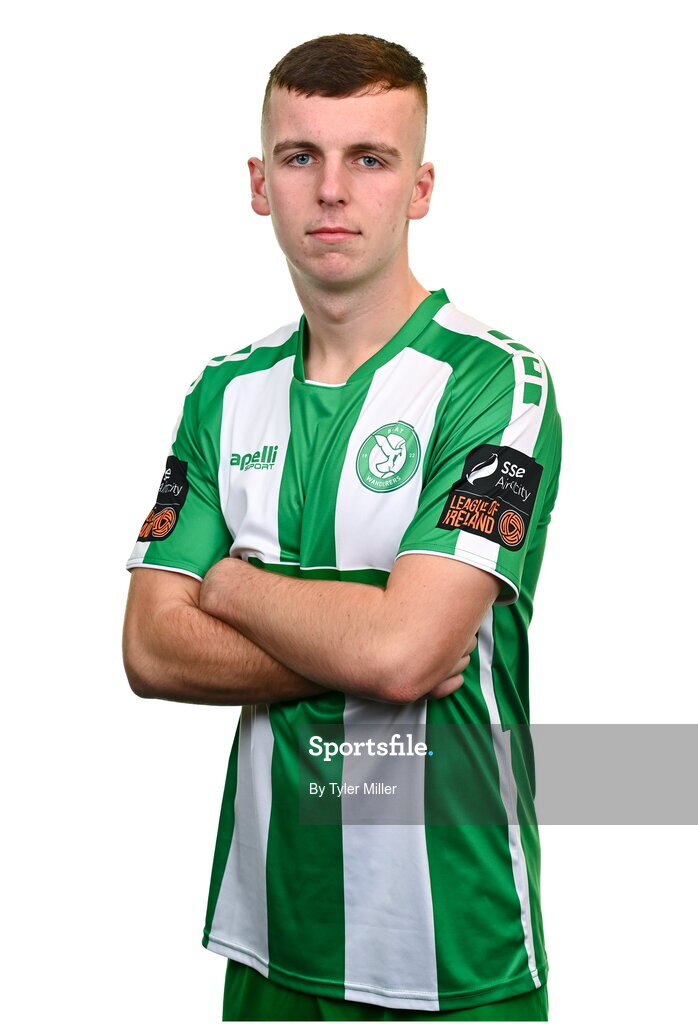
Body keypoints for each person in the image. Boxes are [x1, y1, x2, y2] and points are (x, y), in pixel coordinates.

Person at [123, 32, 561, 1022]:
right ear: (258, 183)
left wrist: (229, 583)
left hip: (452, 950)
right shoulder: (224, 392)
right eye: (300, 156)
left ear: (419, 187)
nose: (331, 190)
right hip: (269, 935)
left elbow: (406, 656)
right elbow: (150, 647)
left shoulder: (496, 383)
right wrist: (364, 630)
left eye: (369, 158)